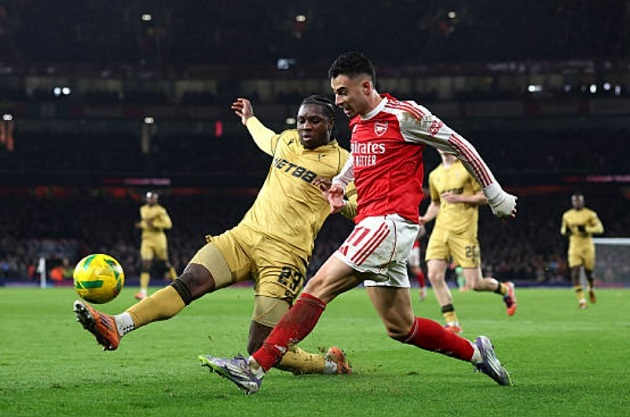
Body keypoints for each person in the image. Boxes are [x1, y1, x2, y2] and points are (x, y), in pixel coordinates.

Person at [200, 51, 517, 394]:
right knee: (401, 327)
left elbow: (460, 145)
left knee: (318, 286)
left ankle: (253, 368)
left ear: (366, 86)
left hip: (388, 222)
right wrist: (339, 183)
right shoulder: (360, 122)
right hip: (374, 222)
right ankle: (478, 353)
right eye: (335, 93)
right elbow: (360, 160)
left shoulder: (405, 115)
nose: (338, 101)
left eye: (343, 92)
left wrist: (496, 195)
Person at [73, 95, 356, 376]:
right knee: (191, 279)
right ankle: (118, 325)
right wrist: (249, 119)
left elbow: (361, 208)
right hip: (243, 237)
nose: (306, 126)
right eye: (302, 120)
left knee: (259, 346)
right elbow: (265, 138)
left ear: (330, 124)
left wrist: (339, 202)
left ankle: (330, 364)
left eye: (314, 121)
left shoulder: (343, 163)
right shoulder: (288, 140)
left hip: (286, 256)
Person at [419, 149, 517, 334]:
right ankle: (452, 322)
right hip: (441, 230)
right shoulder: (434, 175)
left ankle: (505, 289)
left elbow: (485, 196)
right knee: (434, 275)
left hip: (464, 232)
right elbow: (436, 203)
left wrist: (460, 198)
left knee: (475, 284)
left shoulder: (467, 168)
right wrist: (425, 218)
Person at [560, 193, 604, 309]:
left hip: (587, 246)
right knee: (575, 273)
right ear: (572, 202)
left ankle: (591, 288)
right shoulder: (567, 215)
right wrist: (566, 231)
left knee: (589, 273)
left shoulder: (590, 214)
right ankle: (582, 300)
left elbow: (600, 228)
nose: (577, 203)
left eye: (579, 201)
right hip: (574, 247)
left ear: (583, 202)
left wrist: (586, 229)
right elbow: (563, 230)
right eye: (575, 201)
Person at [134, 191, 178, 300]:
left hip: (158, 239)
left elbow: (168, 224)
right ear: (147, 199)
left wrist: (154, 224)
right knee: (146, 263)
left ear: (156, 199)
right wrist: (141, 225)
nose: (151, 200)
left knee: (164, 264)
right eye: (149, 198)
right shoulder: (143, 209)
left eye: (153, 198)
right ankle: (143, 292)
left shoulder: (160, 210)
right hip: (146, 239)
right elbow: (145, 222)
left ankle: (178, 285)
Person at [408, 225, 428, 301]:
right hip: (405, 246)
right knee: (413, 269)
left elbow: (423, 230)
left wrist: (413, 237)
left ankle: (423, 288)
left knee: (415, 268)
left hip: (413, 248)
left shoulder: (416, 219)